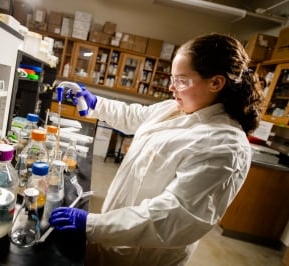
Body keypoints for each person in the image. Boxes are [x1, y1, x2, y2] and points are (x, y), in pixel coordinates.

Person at [49, 33, 264, 266]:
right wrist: (95, 103)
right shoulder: (176, 108)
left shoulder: (225, 145)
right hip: (112, 236)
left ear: (216, 83)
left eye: (181, 80)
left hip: (144, 256)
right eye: (173, 78)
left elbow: (174, 216)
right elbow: (133, 115)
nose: (172, 87)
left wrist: (92, 225)